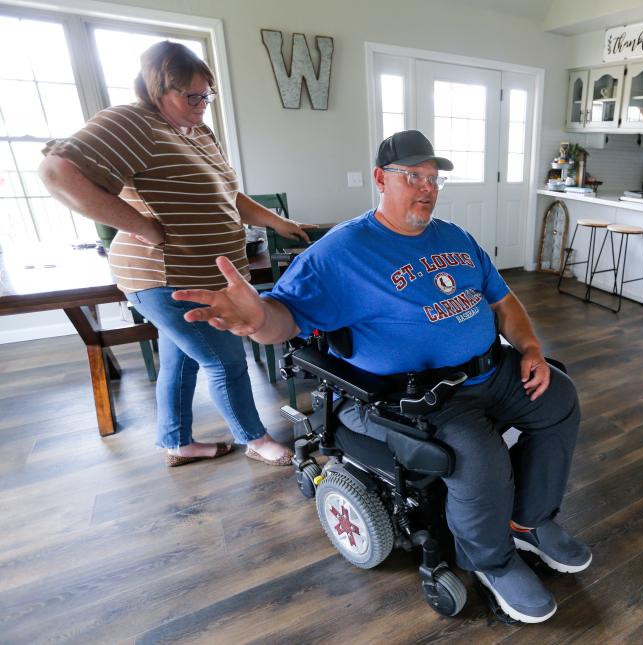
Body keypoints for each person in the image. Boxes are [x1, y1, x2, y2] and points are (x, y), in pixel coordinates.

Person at [171, 130, 591, 623]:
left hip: (490, 370)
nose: (427, 188)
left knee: (558, 399)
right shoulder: (342, 251)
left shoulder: (456, 237)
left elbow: (502, 300)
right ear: (380, 178)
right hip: (419, 397)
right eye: (412, 176)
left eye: (434, 178)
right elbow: (284, 317)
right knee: (479, 454)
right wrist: (258, 318)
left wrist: (531, 348)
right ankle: (490, 561)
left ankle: (530, 519)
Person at [38, 41, 308, 467]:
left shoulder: (198, 132)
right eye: (191, 95)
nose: (202, 104)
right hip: (168, 277)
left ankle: (176, 441)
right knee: (225, 359)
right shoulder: (133, 123)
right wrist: (142, 227)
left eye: (207, 94)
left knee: (182, 360)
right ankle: (254, 439)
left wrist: (275, 221)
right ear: (155, 88)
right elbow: (58, 173)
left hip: (206, 274)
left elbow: (227, 193)